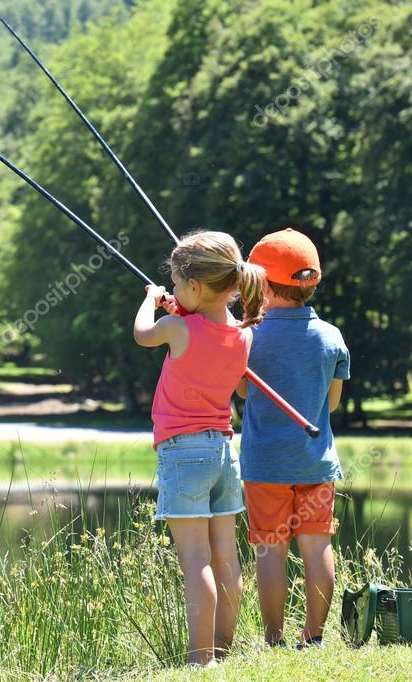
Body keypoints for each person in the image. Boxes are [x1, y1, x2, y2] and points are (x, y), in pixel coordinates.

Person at [133, 230, 266, 667]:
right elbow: (224, 361)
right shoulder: (244, 335)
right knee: (225, 556)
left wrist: (152, 300)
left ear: (193, 287)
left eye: (173, 283)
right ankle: (222, 652)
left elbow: (141, 335)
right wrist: (180, 310)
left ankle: (199, 659)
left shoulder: (174, 326)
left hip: (182, 452)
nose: (170, 289)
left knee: (195, 561)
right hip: (225, 452)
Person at [235, 228, 350, 649]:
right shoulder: (332, 337)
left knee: (270, 551)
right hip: (317, 463)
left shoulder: (250, 336)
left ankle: (274, 639)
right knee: (317, 545)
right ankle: (316, 636)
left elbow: (245, 392)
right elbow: (332, 404)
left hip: (266, 465)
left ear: (261, 283)